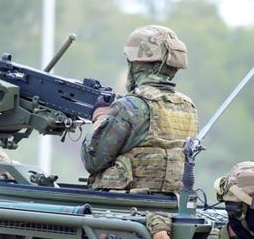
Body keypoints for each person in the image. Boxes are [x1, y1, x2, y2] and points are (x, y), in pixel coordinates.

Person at [80, 24, 198, 195]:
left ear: (136, 65)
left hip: (126, 204)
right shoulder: (188, 107)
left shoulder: (130, 106)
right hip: (170, 204)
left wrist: (101, 117)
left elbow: (92, 159)